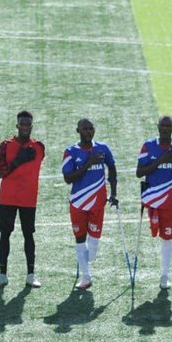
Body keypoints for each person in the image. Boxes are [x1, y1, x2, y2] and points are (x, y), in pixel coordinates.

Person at [136, 115, 172, 290]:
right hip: (153, 201)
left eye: (168, 126)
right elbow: (139, 172)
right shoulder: (148, 146)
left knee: (167, 237)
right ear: (158, 127)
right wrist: (162, 160)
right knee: (156, 234)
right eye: (162, 126)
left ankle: (164, 275)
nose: (165, 129)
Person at [61, 118, 118, 291]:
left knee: (93, 247)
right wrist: (88, 163)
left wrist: (114, 193)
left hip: (98, 204)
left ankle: (86, 263)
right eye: (84, 129)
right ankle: (86, 277)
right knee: (80, 238)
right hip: (78, 203)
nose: (88, 131)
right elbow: (68, 178)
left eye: (90, 128)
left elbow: (112, 167)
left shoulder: (102, 148)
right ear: (78, 131)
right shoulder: (70, 152)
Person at [0, 110, 45, 288]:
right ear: (17, 125)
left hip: (29, 199)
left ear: (31, 126)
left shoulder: (39, 147)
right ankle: (2, 275)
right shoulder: (5, 145)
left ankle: (31, 274)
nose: (25, 127)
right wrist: (17, 161)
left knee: (29, 235)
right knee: (5, 234)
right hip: (8, 198)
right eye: (22, 124)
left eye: (28, 124)